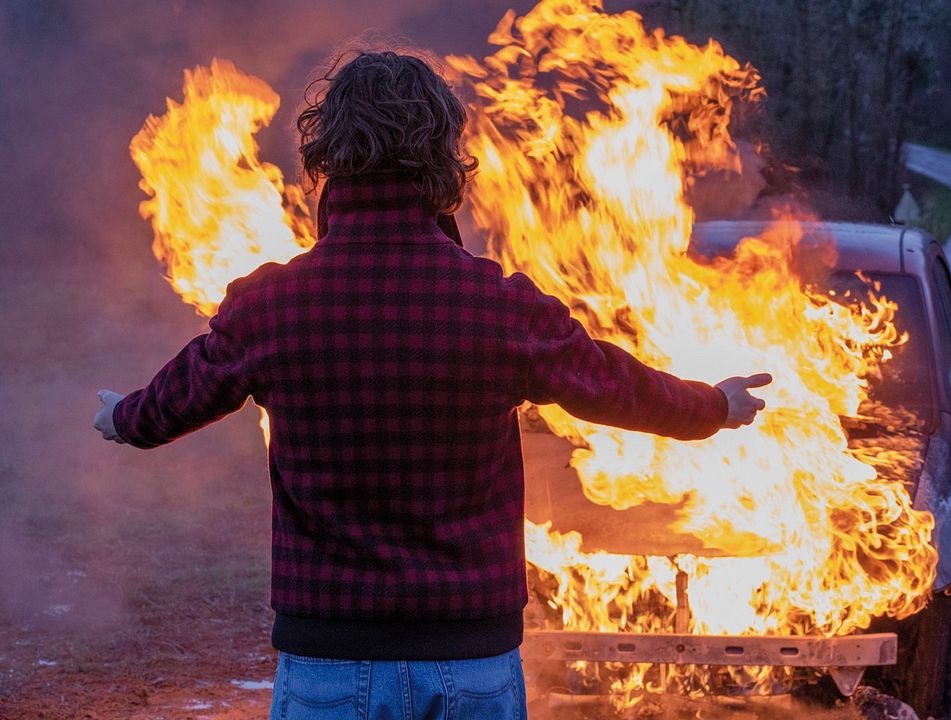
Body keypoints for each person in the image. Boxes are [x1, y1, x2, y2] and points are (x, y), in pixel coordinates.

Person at [93, 50, 771, 720]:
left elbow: (167, 407)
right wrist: (714, 405)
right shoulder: (498, 305)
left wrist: (120, 416)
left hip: (328, 659)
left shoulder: (271, 305)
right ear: (444, 160)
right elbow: (616, 386)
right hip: (471, 656)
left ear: (326, 160)